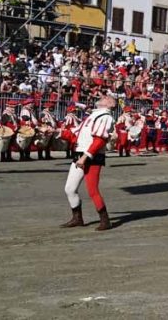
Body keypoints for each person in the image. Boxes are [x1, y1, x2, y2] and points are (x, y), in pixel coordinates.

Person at [60, 93, 116, 231]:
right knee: (70, 189)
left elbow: (100, 140)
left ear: (109, 103)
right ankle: (77, 218)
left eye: (105, 97)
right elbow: (75, 134)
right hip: (81, 154)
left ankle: (105, 220)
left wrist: (85, 157)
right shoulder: (93, 116)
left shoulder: (105, 117)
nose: (102, 97)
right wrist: (56, 132)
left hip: (92, 156)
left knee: (92, 190)